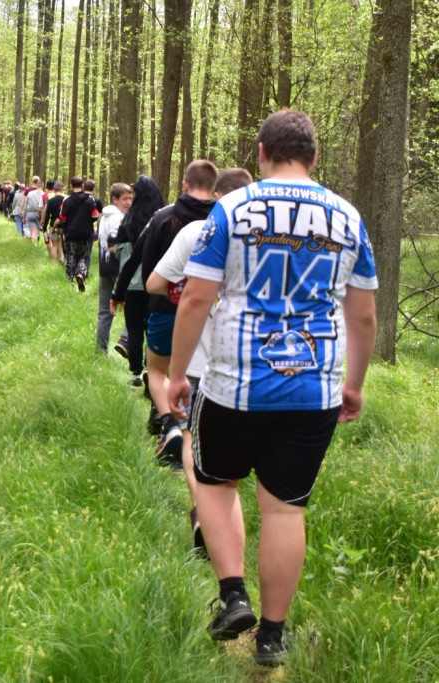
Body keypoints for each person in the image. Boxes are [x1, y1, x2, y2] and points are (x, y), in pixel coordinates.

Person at [166, 110, 377, 666]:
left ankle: (233, 594)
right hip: (315, 388)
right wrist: (352, 384)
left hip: (236, 382)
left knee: (214, 482)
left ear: (261, 152)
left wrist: (174, 374)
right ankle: (273, 637)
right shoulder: (349, 218)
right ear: (314, 155)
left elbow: (194, 298)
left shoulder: (231, 209)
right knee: (285, 510)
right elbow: (363, 317)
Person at [146, 167, 253, 552]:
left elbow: (153, 283)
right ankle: (225, 543)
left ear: (216, 196)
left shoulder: (196, 233)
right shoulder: (269, 237)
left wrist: (183, 286)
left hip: (200, 363)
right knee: (233, 468)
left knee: (196, 443)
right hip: (251, 366)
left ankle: (202, 516)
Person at [119, 160, 219, 465]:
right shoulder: (225, 219)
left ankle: (171, 425)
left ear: (185, 184)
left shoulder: (163, 217)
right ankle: (199, 440)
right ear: (214, 188)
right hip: (210, 313)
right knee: (201, 371)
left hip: (164, 306)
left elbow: (149, 266)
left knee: (160, 372)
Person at [109, 175, 166, 385]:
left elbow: (117, 250)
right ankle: (150, 368)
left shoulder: (129, 219)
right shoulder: (165, 217)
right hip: (158, 283)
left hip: (133, 283)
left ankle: (135, 372)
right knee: (153, 327)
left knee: (134, 329)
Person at [96, 182, 133, 353]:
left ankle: (101, 350)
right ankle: (125, 339)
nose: (128, 202)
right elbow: (112, 246)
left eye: (130, 198)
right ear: (115, 199)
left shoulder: (104, 216)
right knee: (134, 308)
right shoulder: (118, 218)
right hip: (119, 269)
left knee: (104, 311)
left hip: (104, 268)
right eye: (124, 199)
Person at [55, 176, 99, 292]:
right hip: (85, 233)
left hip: (70, 233)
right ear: (83, 186)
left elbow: (62, 217)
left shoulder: (67, 200)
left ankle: (69, 282)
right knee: (84, 257)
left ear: (70, 186)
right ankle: (80, 274)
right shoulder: (90, 199)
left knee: (70, 256)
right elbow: (95, 215)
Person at [40, 181, 66, 262]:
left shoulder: (50, 201)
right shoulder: (65, 200)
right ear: (62, 190)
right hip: (63, 225)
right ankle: (61, 259)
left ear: (54, 191)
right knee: (62, 245)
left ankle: (54, 262)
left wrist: (44, 227)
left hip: (52, 225)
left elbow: (47, 215)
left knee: (54, 245)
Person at [25, 176, 46, 245]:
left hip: (30, 213)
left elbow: (26, 203)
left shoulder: (30, 193)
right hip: (40, 214)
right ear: (43, 186)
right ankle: (35, 243)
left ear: (37, 186)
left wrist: (24, 215)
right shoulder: (44, 194)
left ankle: (33, 244)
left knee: (33, 231)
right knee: (37, 230)